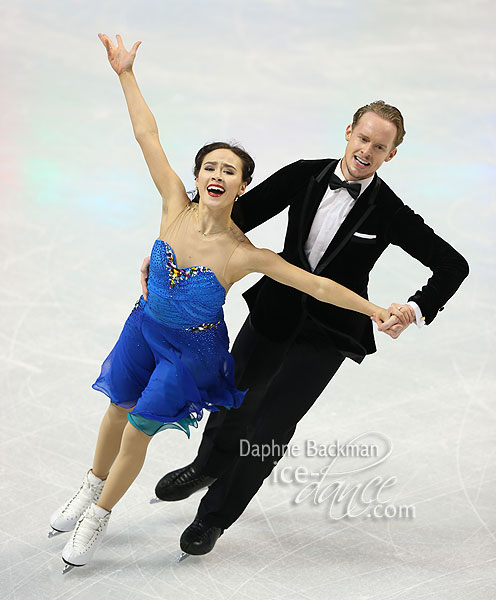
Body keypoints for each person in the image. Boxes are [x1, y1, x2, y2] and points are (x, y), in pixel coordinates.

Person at [47, 34, 408, 573]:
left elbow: (318, 286)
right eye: (209, 167)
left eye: (229, 172)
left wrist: (375, 309)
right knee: (116, 408)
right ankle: (89, 488)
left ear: (242, 187)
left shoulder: (244, 254)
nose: (216, 175)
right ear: (196, 176)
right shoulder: (173, 206)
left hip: (191, 352)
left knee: (145, 428)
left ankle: (101, 514)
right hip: (144, 327)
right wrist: (125, 73)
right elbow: (147, 135)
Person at [149, 88, 469, 557]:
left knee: (271, 426)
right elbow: (238, 216)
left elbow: (452, 264)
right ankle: (208, 465)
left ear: (392, 153)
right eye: (363, 138)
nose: (366, 151)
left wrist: (415, 308)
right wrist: (171, 253)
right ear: (348, 133)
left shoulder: (389, 211)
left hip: (330, 329)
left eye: (379, 147)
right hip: (275, 309)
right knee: (232, 396)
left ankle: (214, 518)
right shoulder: (305, 174)